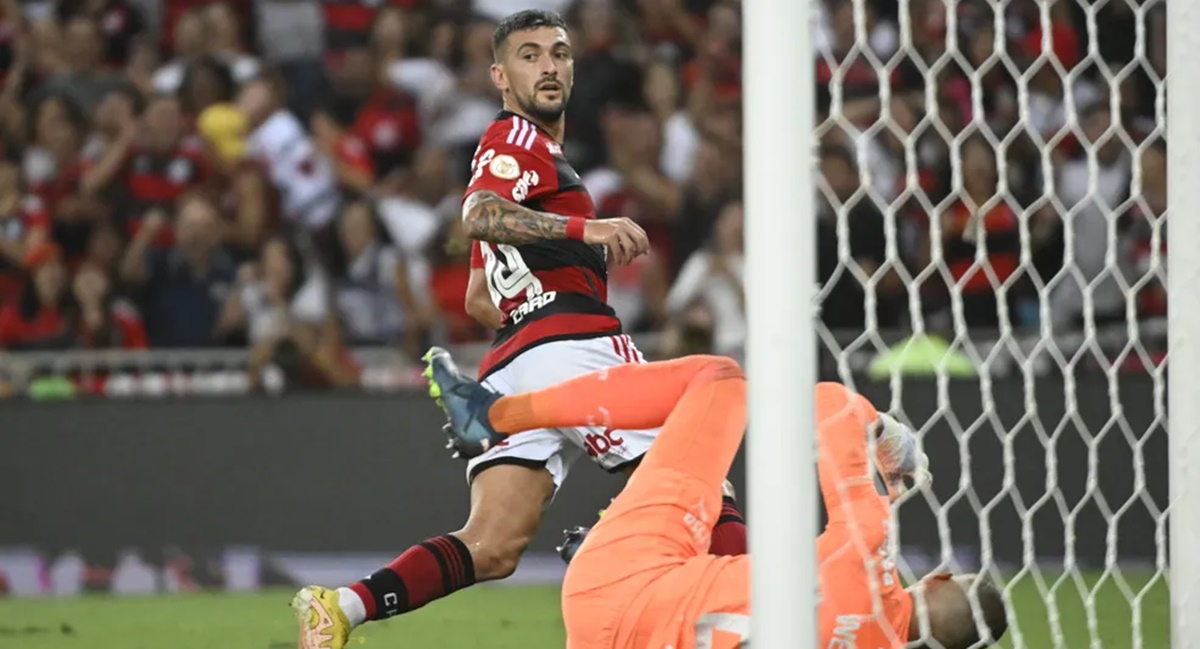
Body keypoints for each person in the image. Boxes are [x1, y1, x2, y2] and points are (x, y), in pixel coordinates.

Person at [290, 10, 747, 649]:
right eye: (530, 55)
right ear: (501, 76)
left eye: (559, 53)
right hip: (575, 345)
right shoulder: (516, 140)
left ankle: (341, 607)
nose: (550, 66)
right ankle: (741, 618)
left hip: (513, 359)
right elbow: (478, 215)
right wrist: (585, 230)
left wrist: (533, 295)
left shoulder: (524, 160)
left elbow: (481, 298)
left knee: (492, 545)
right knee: (702, 484)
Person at [420, 348, 1010, 649]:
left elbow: (829, 403)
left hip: (620, 577)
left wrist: (885, 435)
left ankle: (495, 415)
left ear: (935, 580)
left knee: (721, 381)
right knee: (734, 563)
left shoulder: (870, 552)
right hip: (607, 635)